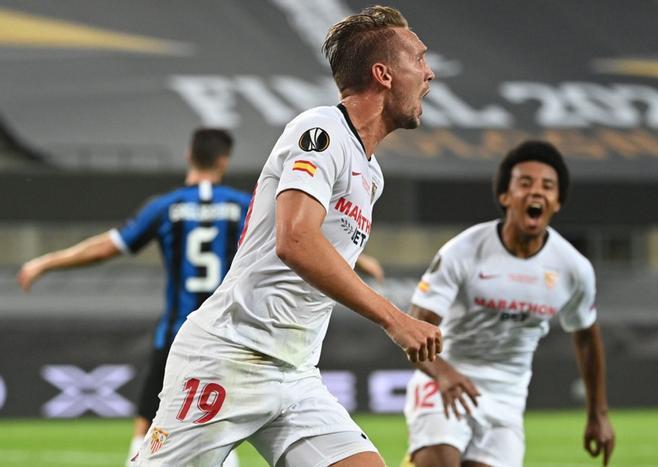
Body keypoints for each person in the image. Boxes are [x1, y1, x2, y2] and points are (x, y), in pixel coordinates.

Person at [131, 5, 440, 467]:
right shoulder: (321, 131)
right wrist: (394, 318)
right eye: (417, 58)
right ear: (384, 74)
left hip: (295, 375)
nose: (429, 73)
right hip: (230, 357)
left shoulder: (370, 174)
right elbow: (294, 240)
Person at [17, 128, 251, 467]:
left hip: (176, 336)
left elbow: (106, 248)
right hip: (226, 336)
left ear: (189, 155)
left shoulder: (166, 207)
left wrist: (46, 261)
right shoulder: (243, 206)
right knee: (219, 424)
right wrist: (357, 261)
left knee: (148, 424)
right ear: (223, 161)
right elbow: (300, 238)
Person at [402, 141, 615, 467]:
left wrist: (598, 414)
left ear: (557, 202)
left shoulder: (573, 268)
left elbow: (586, 336)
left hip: (507, 397)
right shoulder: (464, 251)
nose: (537, 192)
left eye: (548, 186)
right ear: (505, 196)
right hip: (446, 379)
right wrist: (443, 372)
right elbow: (415, 326)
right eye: (525, 183)